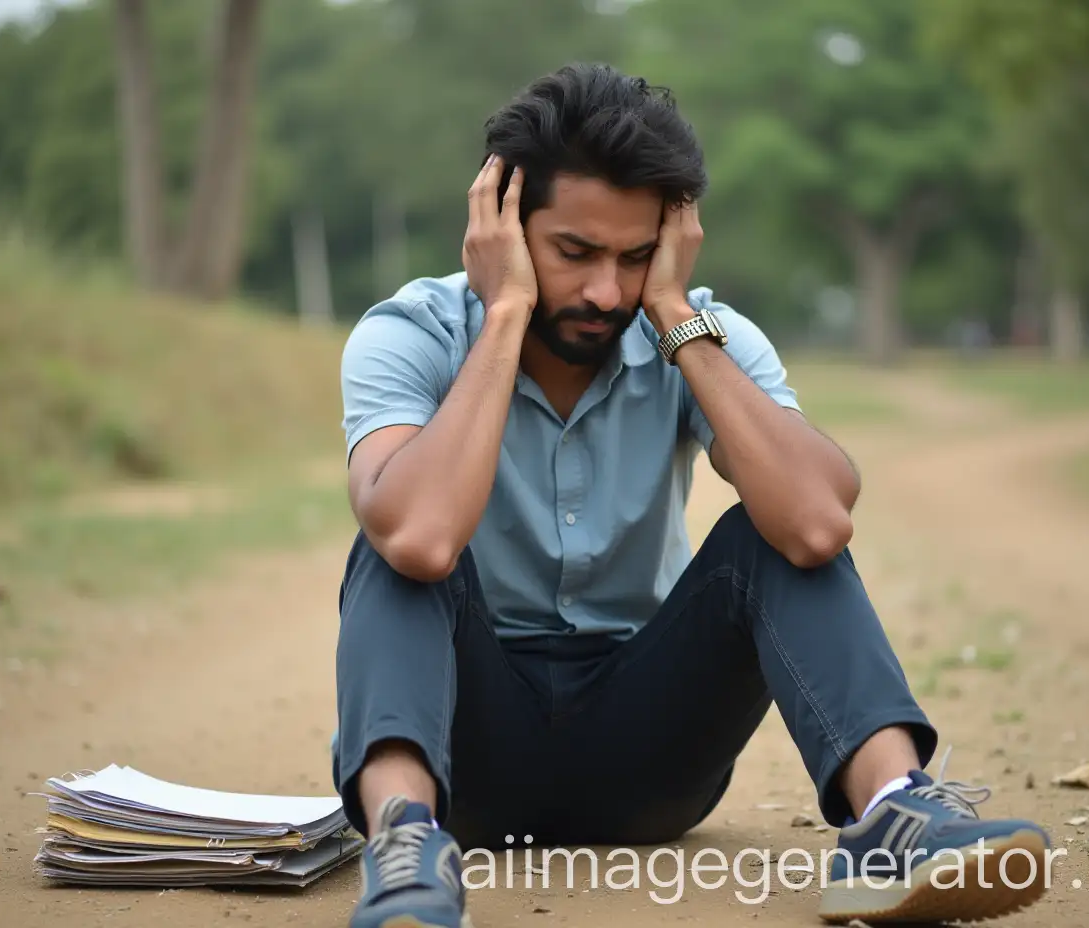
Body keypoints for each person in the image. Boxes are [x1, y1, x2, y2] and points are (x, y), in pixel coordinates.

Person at [333, 62, 1051, 928]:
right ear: (504, 231)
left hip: (651, 759)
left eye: (635, 257)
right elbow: (419, 537)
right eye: (573, 252)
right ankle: (405, 849)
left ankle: (897, 814)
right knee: (394, 533)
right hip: (468, 763)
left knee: (773, 531)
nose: (606, 291)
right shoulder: (411, 334)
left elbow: (820, 523)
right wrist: (507, 315)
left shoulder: (695, 329)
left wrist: (675, 314)